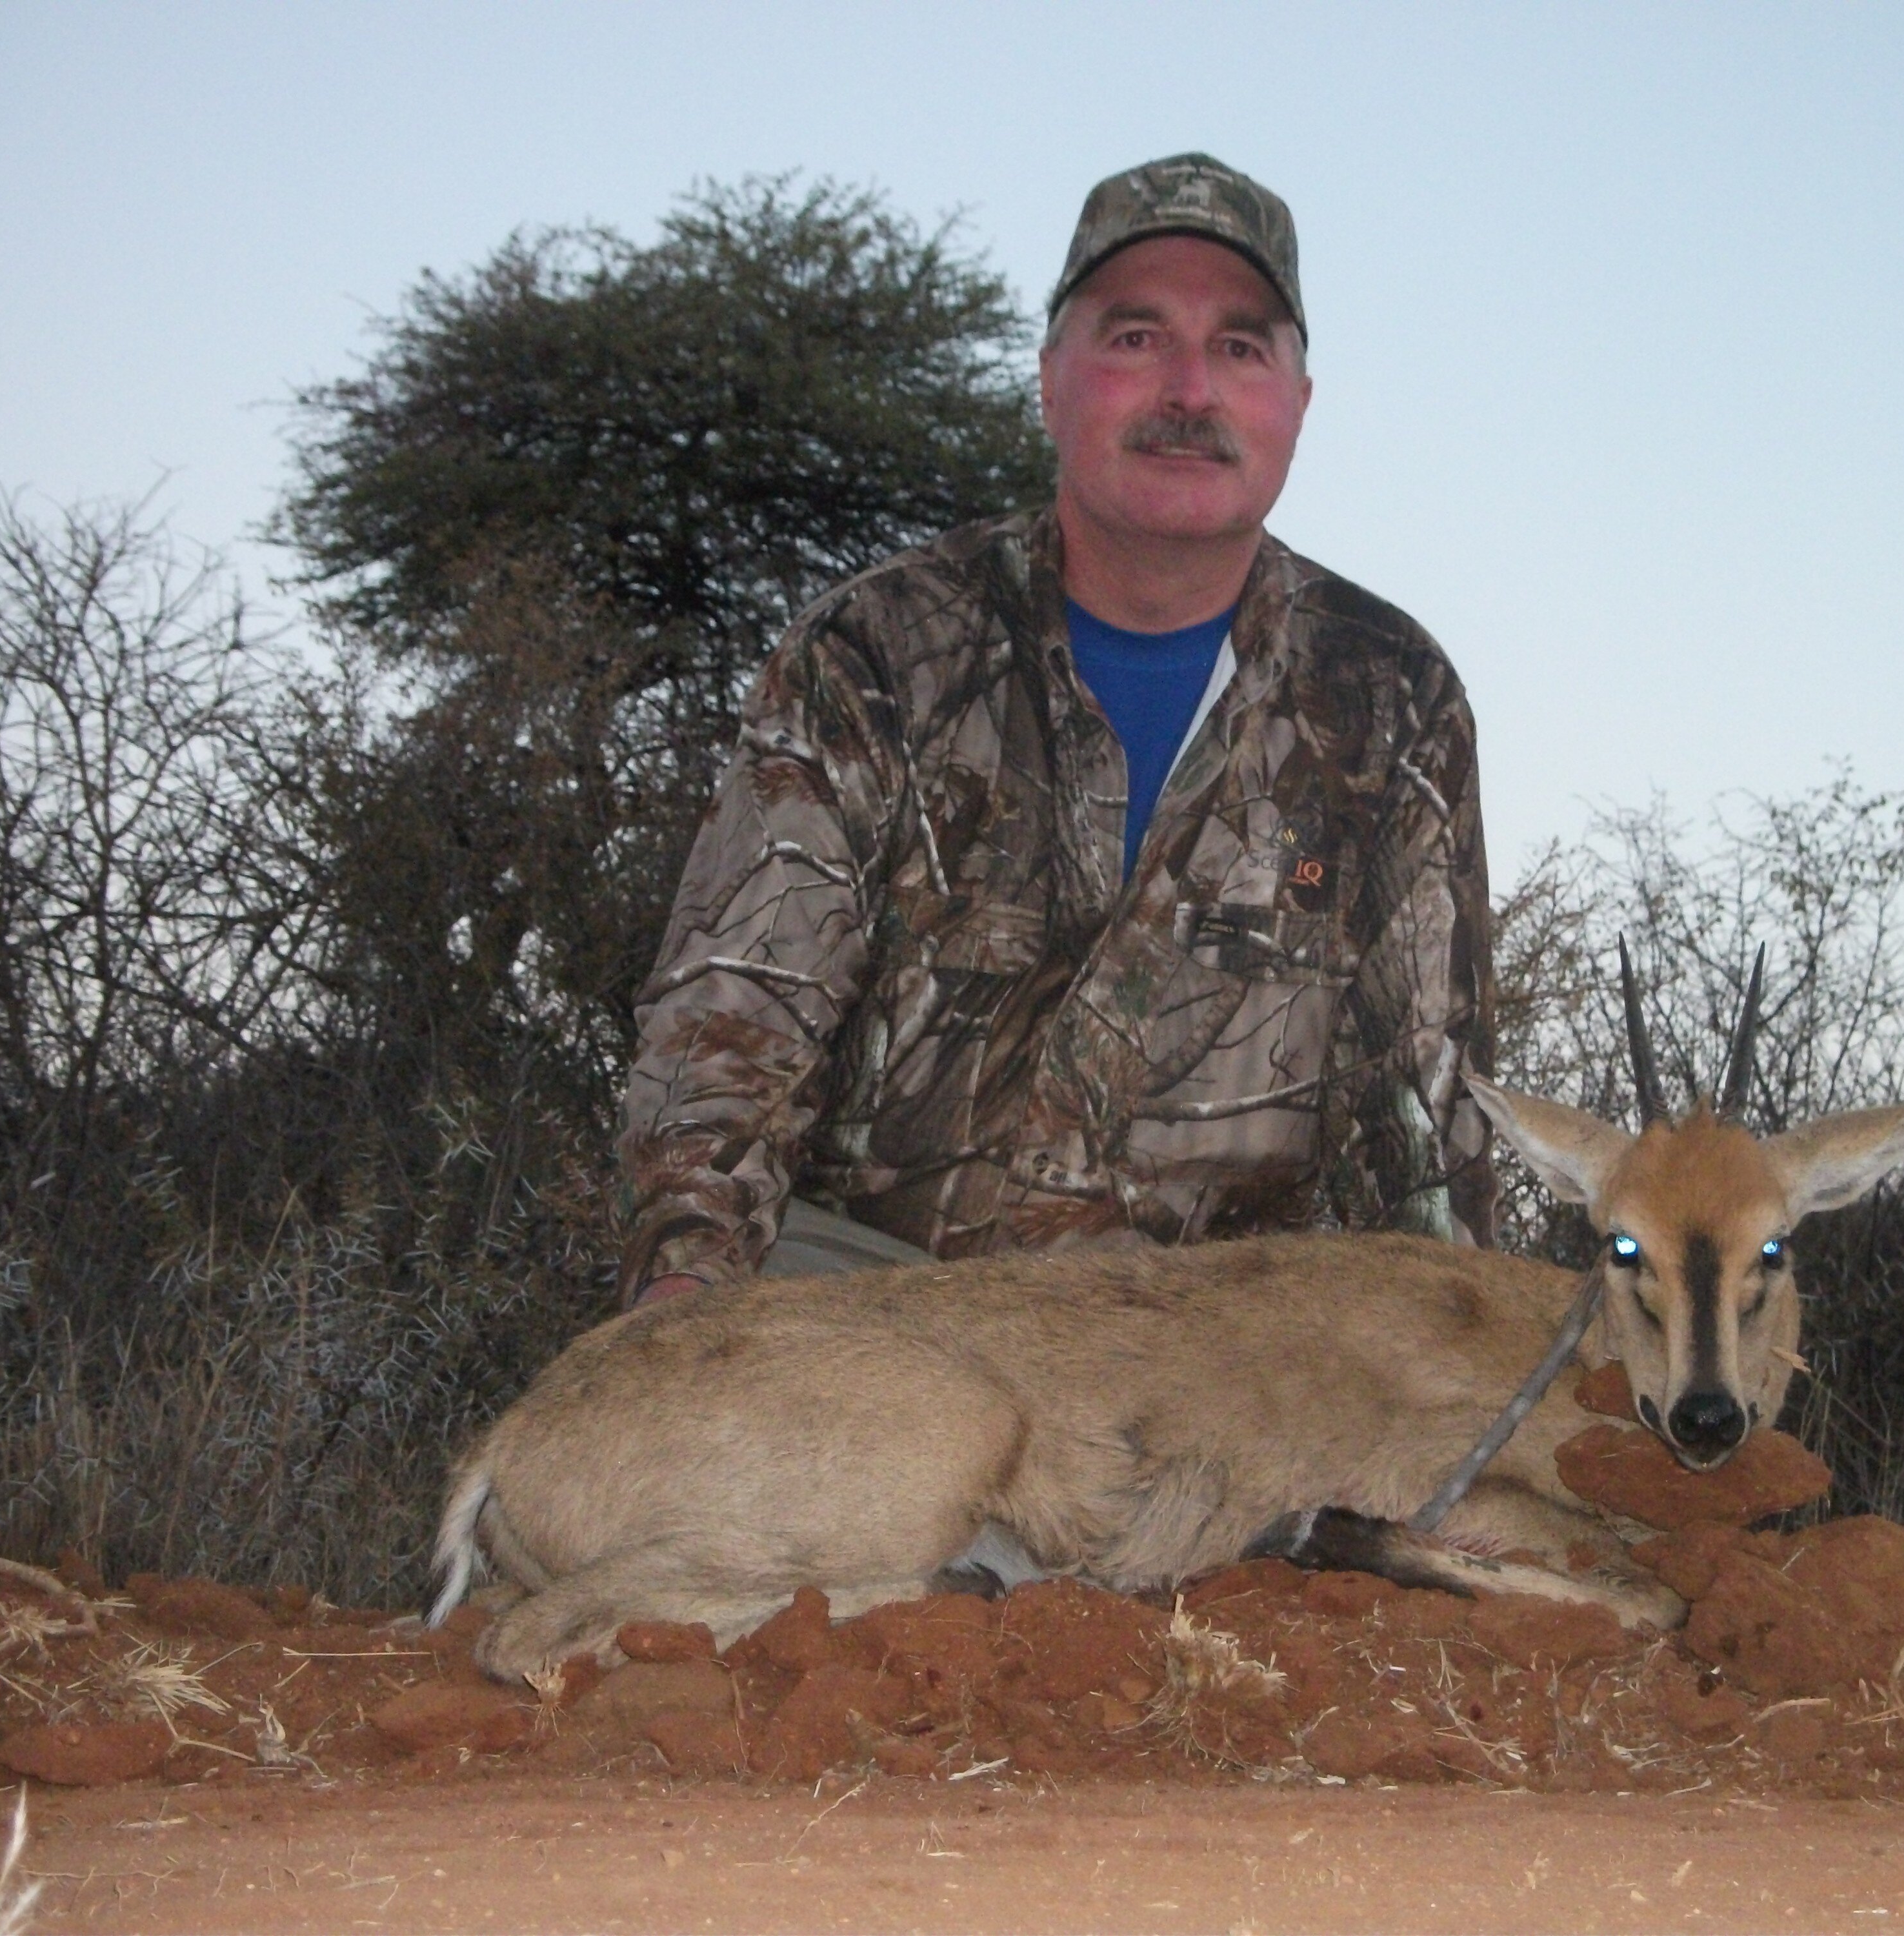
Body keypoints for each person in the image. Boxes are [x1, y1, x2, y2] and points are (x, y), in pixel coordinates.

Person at [616, 152, 1498, 1303]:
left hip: (1200, 1351)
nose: (1189, 390)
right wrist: (685, 1304)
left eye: (1239, 347)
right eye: (1135, 339)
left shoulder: (1393, 698)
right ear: (1049, 382)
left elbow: (1425, 1128)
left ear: (1297, 403)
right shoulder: (873, 650)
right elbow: (731, 1026)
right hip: (874, 1306)